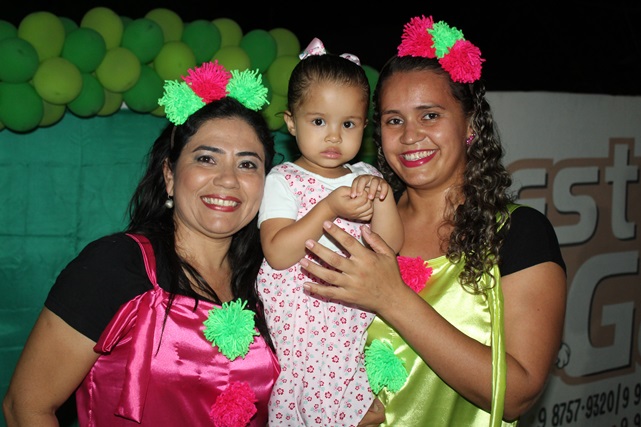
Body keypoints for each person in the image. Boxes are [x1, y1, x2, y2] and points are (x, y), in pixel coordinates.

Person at [297, 15, 567, 427]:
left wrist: (391, 297)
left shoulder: (518, 233)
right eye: (394, 120)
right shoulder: (352, 223)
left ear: (470, 124)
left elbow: (517, 394)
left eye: (430, 116)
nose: (410, 136)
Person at [3, 62, 280, 427]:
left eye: (247, 165)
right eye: (206, 159)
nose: (228, 179)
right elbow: (25, 407)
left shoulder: (271, 281)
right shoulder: (115, 265)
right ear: (169, 175)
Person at [256, 38, 403, 426]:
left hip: (350, 320)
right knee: (308, 402)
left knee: (356, 402)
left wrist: (383, 198)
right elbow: (277, 253)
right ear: (292, 122)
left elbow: (390, 246)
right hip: (302, 324)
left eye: (348, 124)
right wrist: (329, 208)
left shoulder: (366, 176)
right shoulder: (283, 180)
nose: (334, 136)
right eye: (319, 122)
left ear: (364, 127)